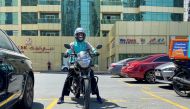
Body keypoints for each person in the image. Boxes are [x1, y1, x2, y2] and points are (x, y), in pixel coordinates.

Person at [57, 27, 103, 104]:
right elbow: (69, 50)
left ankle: (98, 96)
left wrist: (95, 51)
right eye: (79, 34)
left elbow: (92, 48)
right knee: (69, 77)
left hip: (85, 62)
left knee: (92, 77)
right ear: (76, 35)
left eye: (82, 34)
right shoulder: (73, 44)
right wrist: (67, 53)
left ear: (84, 35)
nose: (80, 36)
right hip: (76, 62)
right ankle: (62, 97)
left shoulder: (86, 43)